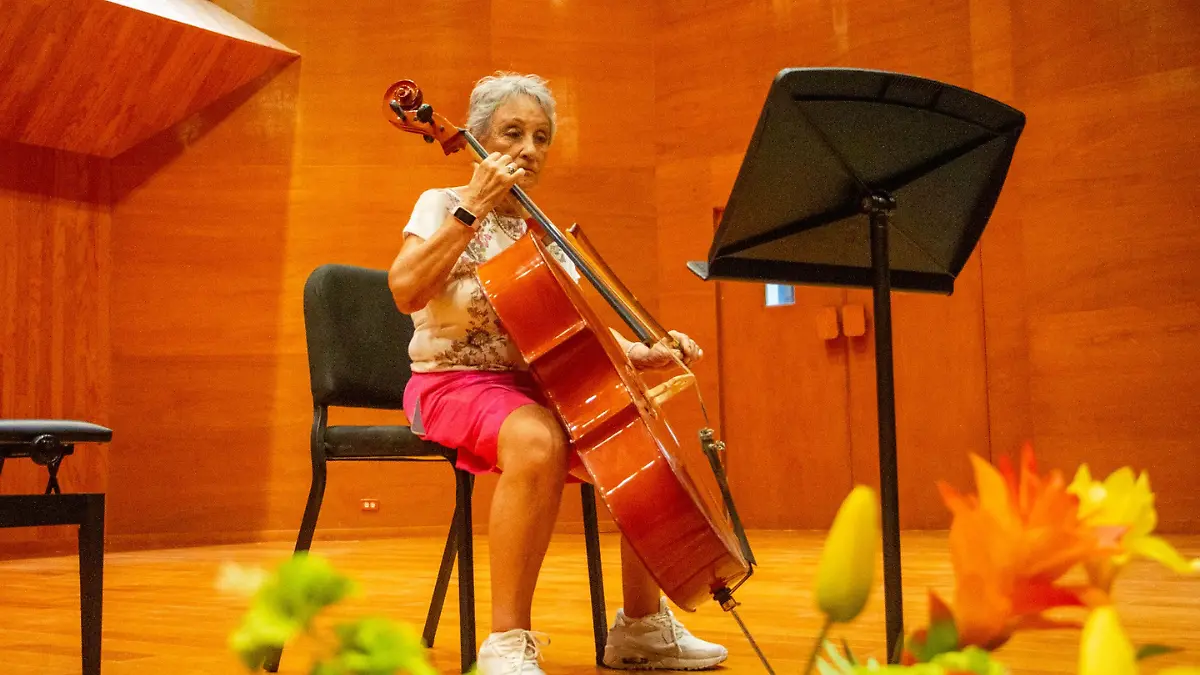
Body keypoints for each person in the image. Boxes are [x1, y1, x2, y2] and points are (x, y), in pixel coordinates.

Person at [387, 72, 728, 674]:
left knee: (636, 437)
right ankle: (505, 643)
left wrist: (640, 350)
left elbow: (567, 332)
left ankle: (642, 628)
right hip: (452, 382)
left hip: (533, 386)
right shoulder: (443, 203)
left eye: (541, 137)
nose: (528, 149)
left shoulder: (542, 233)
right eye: (512, 133)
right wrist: (474, 208)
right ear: (478, 136)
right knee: (537, 438)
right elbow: (406, 290)